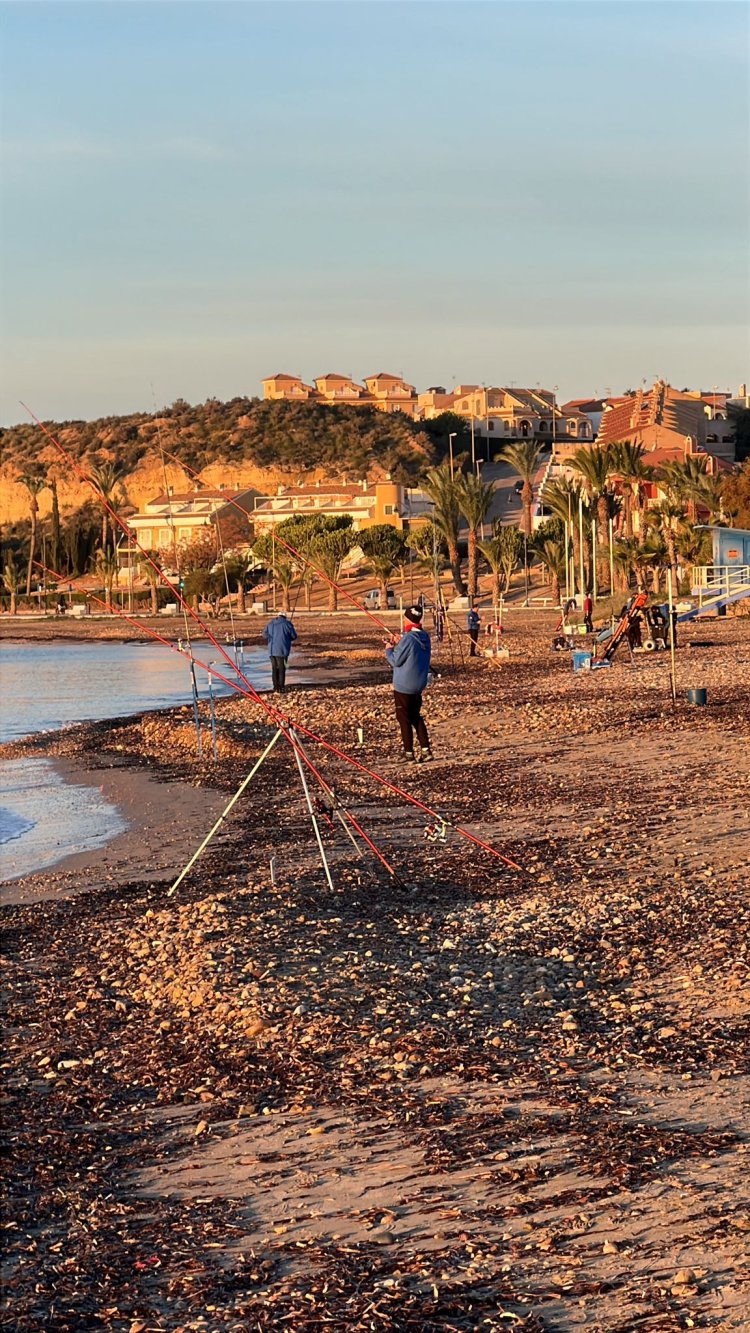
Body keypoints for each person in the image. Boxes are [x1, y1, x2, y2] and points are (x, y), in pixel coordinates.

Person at [385, 604, 433, 763]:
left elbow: (395, 661)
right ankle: (426, 750)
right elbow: (412, 650)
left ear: (408, 619)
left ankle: (408, 753)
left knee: (404, 718)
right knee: (415, 716)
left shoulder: (409, 638)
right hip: (419, 684)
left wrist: (389, 648)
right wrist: (401, 642)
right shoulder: (425, 637)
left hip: (404, 686)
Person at [263, 611, 297, 693]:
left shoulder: (270, 624)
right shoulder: (287, 624)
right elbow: (294, 636)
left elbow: (264, 635)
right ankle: (281, 687)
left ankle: (275, 687)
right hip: (282, 650)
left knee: (274, 669)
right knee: (282, 669)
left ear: (277, 616)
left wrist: (271, 639)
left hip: (271, 651)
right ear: (284, 617)